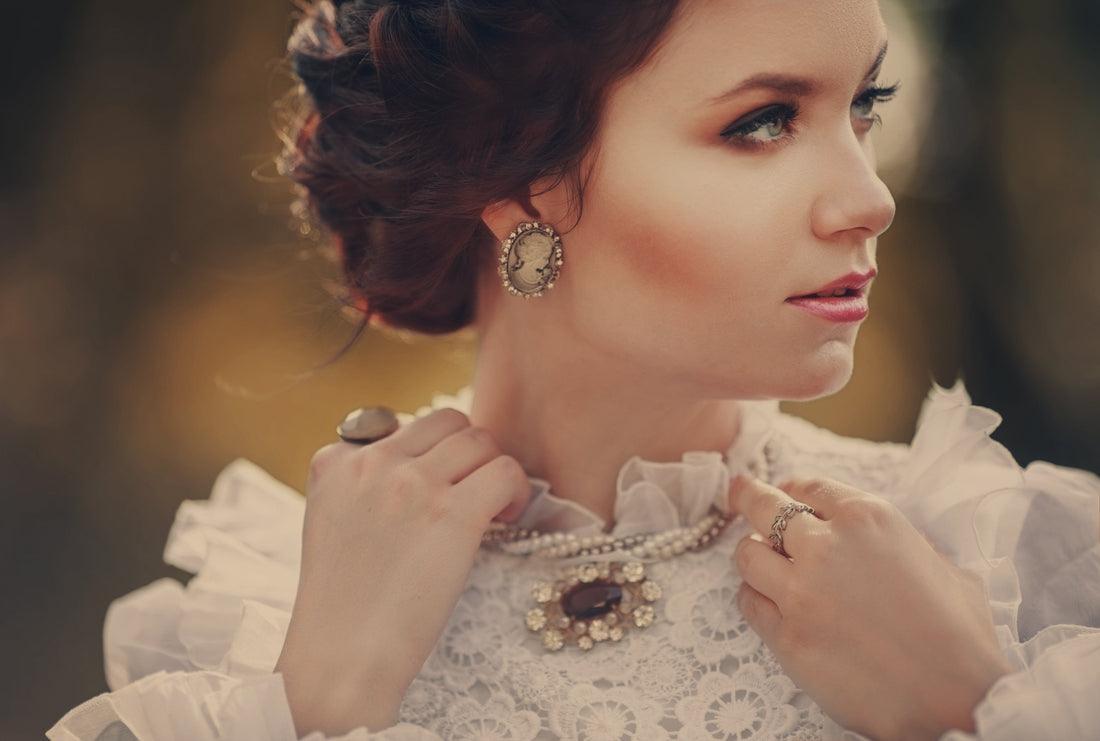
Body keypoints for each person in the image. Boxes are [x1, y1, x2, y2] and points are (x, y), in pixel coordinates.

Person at [49, 0, 1100, 740]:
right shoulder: (261, 623)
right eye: (763, 123)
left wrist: (975, 708)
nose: (866, 196)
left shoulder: (1001, 568)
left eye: (860, 108)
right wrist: (320, 702)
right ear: (518, 183)